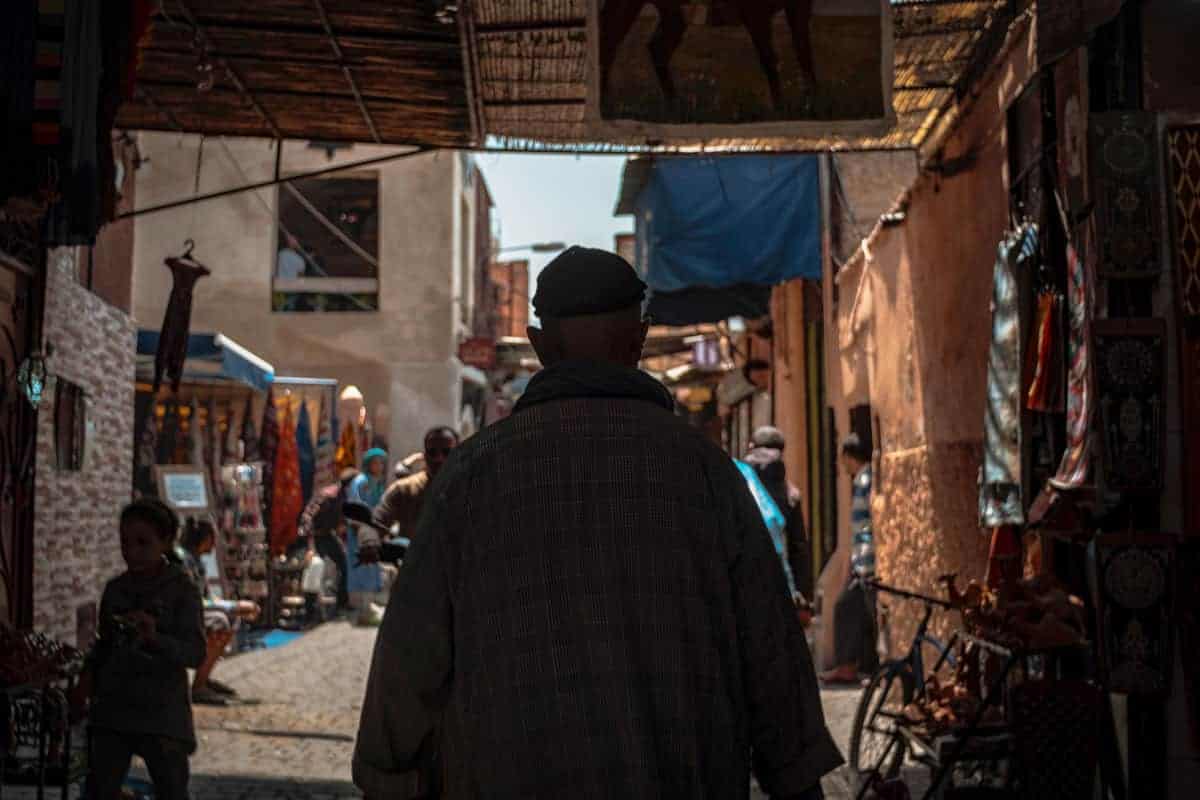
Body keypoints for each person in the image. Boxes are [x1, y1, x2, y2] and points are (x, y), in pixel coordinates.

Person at [354, 246, 841, 799]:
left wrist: (386, 780)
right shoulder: (705, 472)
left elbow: (409, 654)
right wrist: (797, 779)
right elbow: (771, 653)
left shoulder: (470, 476)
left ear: (539, 345)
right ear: (640, 338)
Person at [86, 498, 206, 800]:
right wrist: (84, 684)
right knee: (100, 788)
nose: (132, 552)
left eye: (143, 543)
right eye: (125, 542)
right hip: (114, 708)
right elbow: (103, 646)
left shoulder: (182, 589)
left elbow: (195, 653)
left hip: (163, 710)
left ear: (165, 542)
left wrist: (156, 638)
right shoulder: (115, 590)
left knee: (171, 789)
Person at [176, 516, 260, 705]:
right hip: (179, 616)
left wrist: (235, 607)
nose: (215, 544)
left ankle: (204, 676)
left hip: (193, 611)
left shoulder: (195, 560)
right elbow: (194, 601)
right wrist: (234, 607)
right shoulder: (184, 562)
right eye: (213, 538)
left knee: (230, 619)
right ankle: (198, 687)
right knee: (219, 622)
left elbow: (206, 597)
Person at [821, 433, 879, 685]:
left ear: (848, 456)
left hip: (866, 562)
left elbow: (867, 524)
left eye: (841, 458)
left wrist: (860, 561)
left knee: (846, 608)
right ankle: (860, 667)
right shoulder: (864, 478)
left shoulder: (865, 479)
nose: (840, 464)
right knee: (861, 613)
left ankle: (849, 667)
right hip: (863, 561)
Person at [742, 425, 814, 608]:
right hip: (779, 582)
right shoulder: (791, 494)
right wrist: (803, 593)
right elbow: (799, 547)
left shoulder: (739, 480)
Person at [364, 427, 460, 552]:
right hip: (415, 566)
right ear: (425, 456)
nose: (439, 458)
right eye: (433, 452)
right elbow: (376, 521)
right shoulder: (405, 489)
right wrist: (369, 542)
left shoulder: (472, 488)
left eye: (447, 452)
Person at [297, 467, 359, 610]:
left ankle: (341, 602)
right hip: (316, 536)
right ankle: (310, 608)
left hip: (326, 534)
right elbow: (309, 516)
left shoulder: (345, 497)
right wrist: (310, 544)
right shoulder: (329, 497)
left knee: (343, 563)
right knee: (315, 568)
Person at [346, 448, 388, 620]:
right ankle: (362, 608)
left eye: (381, 463)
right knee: (361, 566)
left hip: (372, 530)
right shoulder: (361, 482)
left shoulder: (376, 483)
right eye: (375, 462)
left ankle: (368, 607)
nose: (379, 466)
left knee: (371, 566)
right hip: (360, 531)